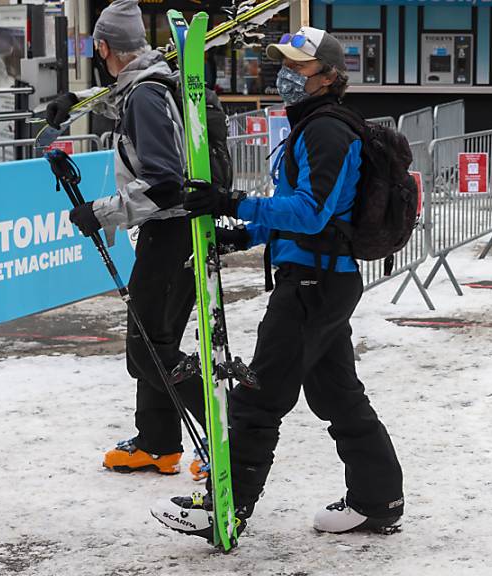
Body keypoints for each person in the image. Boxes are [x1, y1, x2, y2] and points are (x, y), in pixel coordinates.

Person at [151, 26, 404, 541]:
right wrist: (243, 233)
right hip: (321, 277)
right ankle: (379, 500)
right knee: (339, 398)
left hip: (314, 281)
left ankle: (226, 506)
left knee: (258, 397)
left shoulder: (325, 130)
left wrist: (233, 201)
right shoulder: (312, 125)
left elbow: (311, 214)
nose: (286, 75)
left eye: (298, 67)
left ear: (328, 77)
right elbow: (300, 212)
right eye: (283, 64)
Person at [45, 0, 207, 479]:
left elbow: (165, 183)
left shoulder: (146, 96)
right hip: (173, 230)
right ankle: (157, 443)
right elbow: (122, 93)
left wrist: (101, 213)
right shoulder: (148, 82)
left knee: (148, 349)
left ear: (102, 46)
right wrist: (75, 101)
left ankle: (230, 429)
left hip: (172, 229)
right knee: (154, 337)